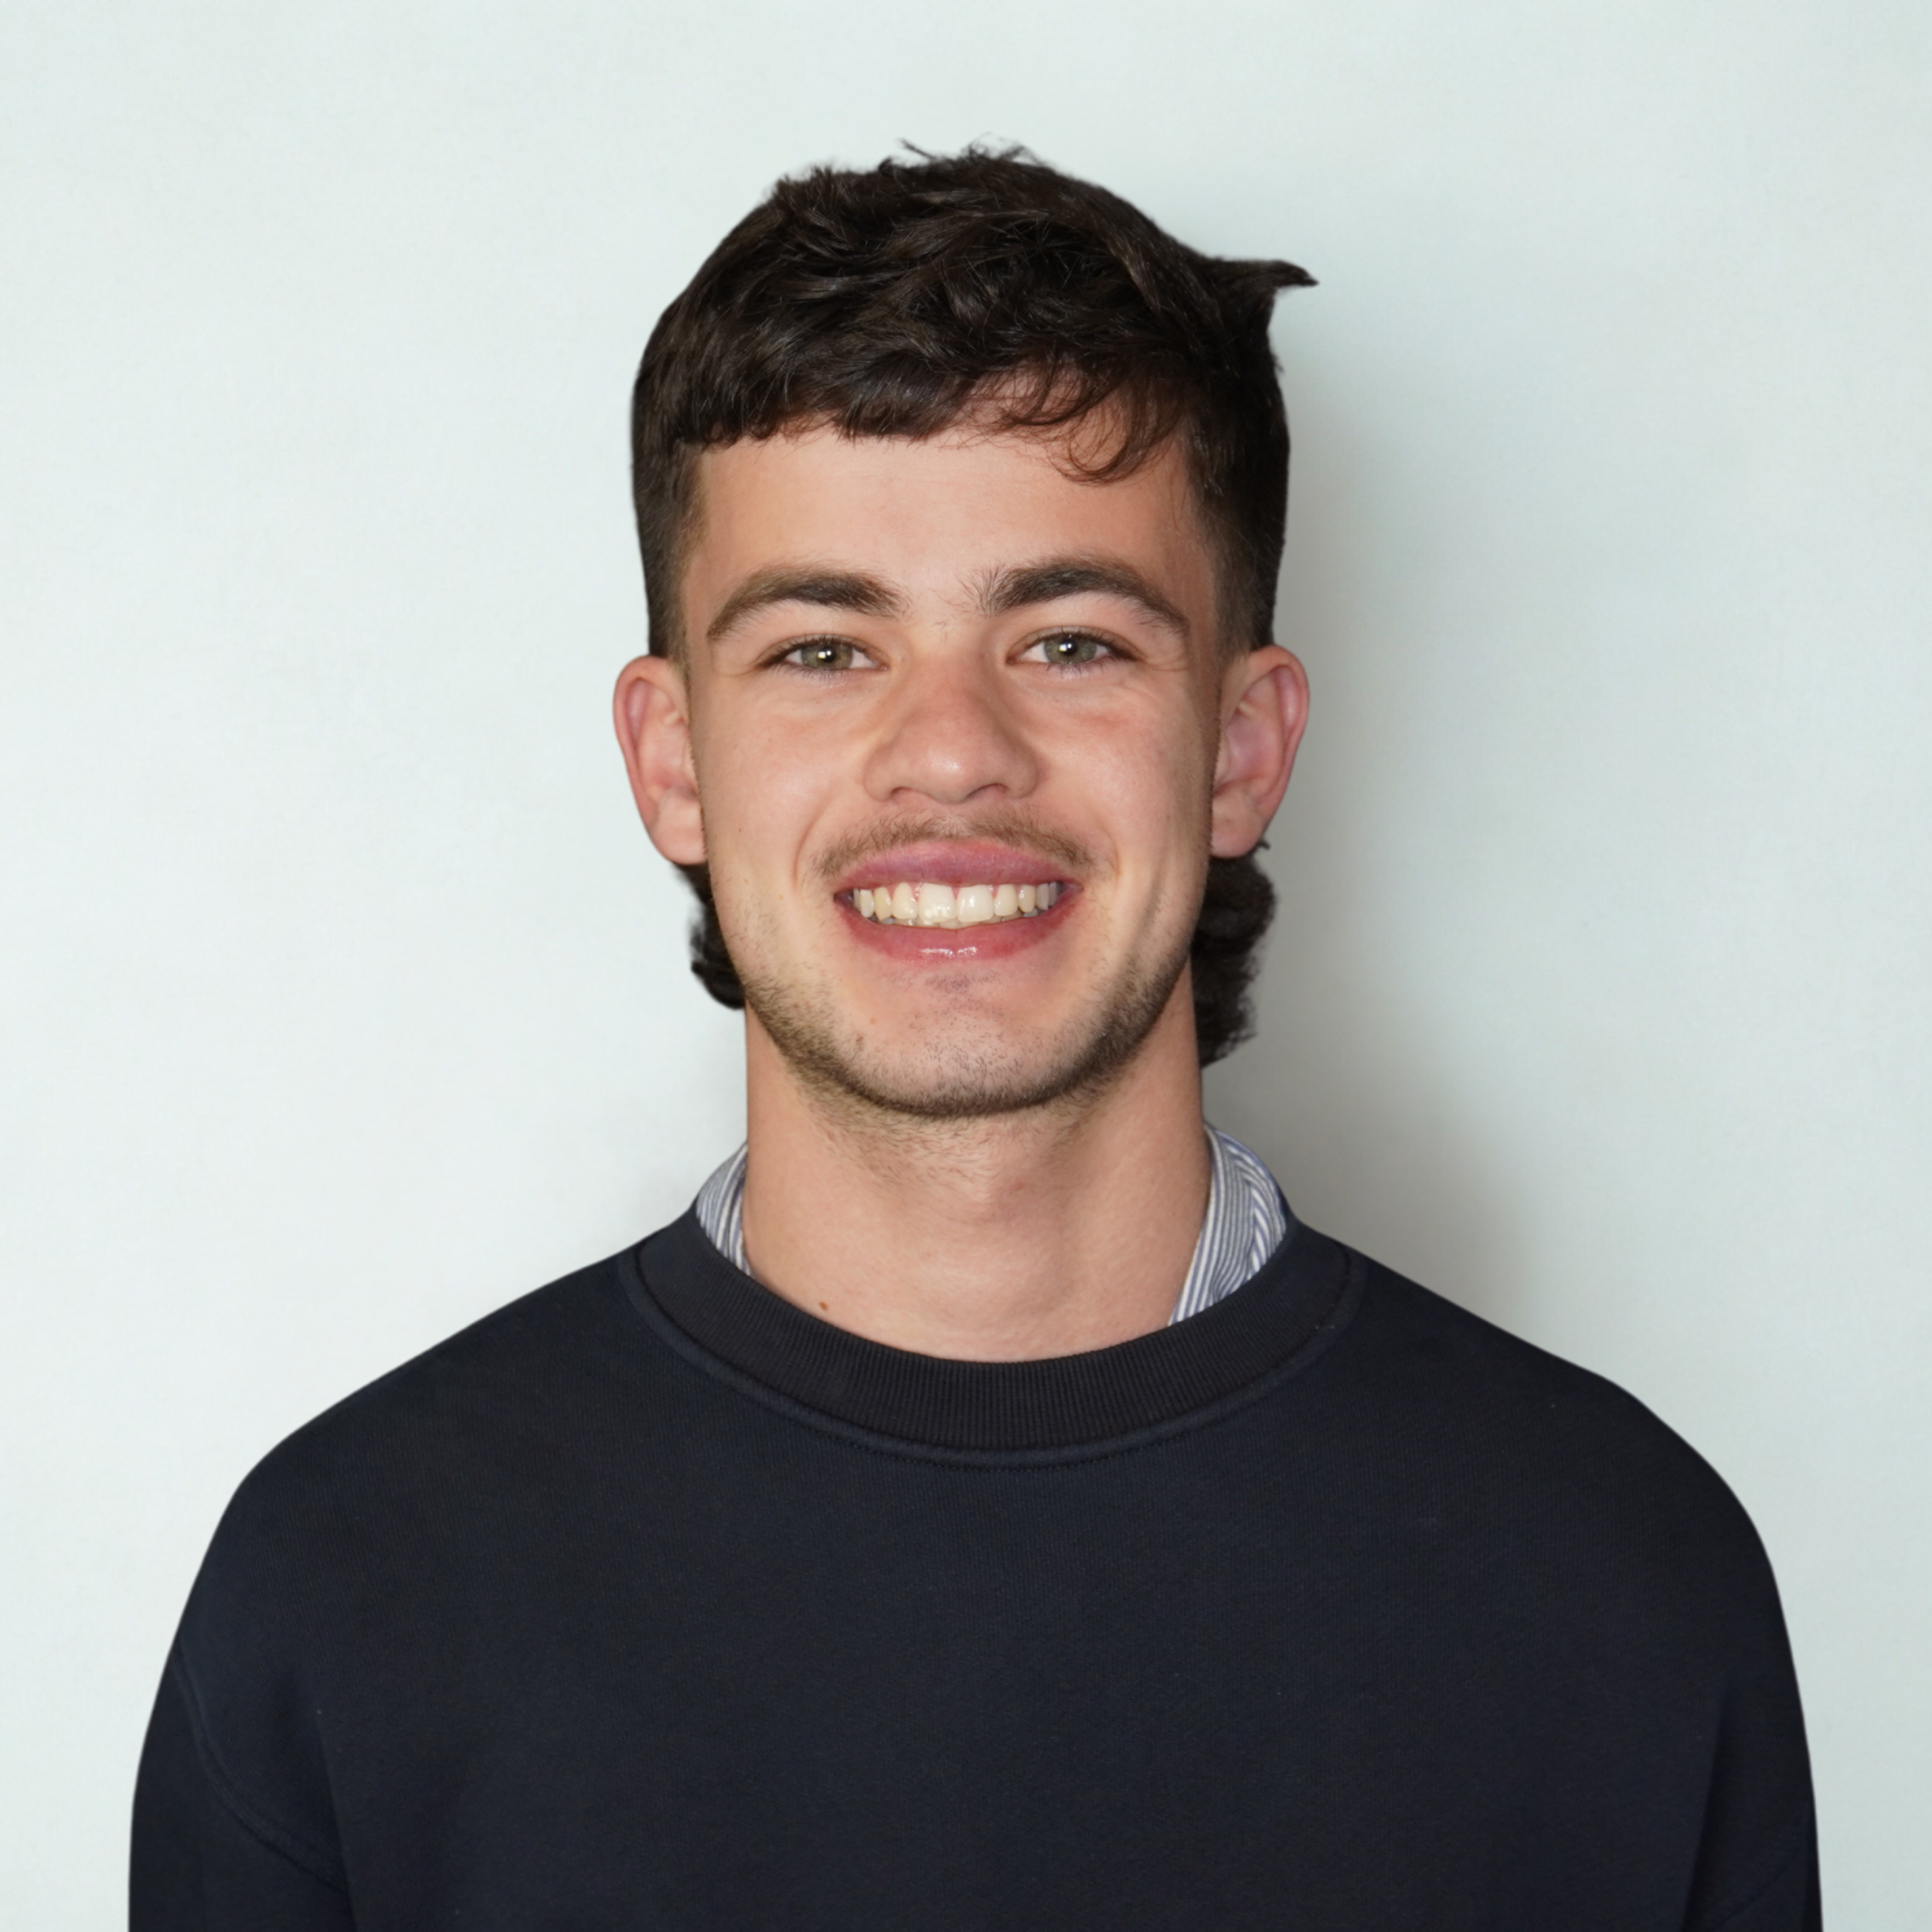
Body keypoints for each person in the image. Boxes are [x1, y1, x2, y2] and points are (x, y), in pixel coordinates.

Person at [131, 148, 1820, 1930]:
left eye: (1071, 638)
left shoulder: (1616, 1572)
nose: (951, 752)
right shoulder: (348, 1582)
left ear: (1240, 747)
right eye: (818, 650)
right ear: (670, 760)